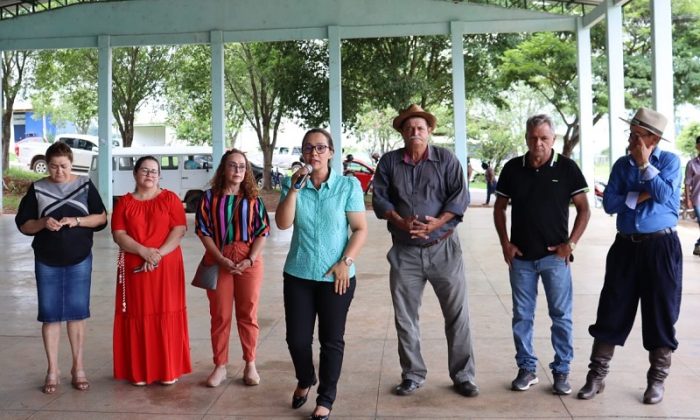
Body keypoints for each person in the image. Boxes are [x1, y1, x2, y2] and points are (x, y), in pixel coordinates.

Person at [372, 104, 479, 398]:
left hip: (444, 248)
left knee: (457, 315)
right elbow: (380, 199)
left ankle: (463, 375)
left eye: (420, 128)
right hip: (405, 251)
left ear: (429, 131)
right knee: (405, 317)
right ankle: (412, 374)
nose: (415, 132)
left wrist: (437, 224)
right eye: (409, 128)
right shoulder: (390, 162)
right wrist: (400, 221)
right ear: (402, 133)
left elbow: (460, 197)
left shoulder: (446, 159)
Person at [578, 107, 682, 405]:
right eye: (631, 134)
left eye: (637, 136)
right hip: (624, 247)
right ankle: (596, 376)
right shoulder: (622, 165)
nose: (631, 140)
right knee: (611, 308)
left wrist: (645, 165)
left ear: (653, 139)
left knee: (660, 313)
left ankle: (656, 381)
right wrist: (642, 193)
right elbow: (610, 204)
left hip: (660, 247)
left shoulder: (670, 162)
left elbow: (666, 196)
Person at [493, 114, 590, 395]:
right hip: (521, 258)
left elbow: (584, 209)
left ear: (553, 139)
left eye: (544, 138)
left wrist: (570, 244)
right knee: (522, 316)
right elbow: (499, 208)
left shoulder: (568, 168)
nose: (538, 143)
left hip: (555, 259)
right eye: (533, 138)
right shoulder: (513, 168)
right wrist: (505, 243)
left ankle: (561, 371)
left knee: (561, 315)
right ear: (526, 138)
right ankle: (527, 368)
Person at [276, 128, 368, 420]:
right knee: (297, 340)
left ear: (331, 152)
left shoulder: (347, 186)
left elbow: (359, 229)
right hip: (299, 274)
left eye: (320, 147)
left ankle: (326, 398)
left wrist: (346, 262)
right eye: (308, 148)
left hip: (336, 277)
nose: (313, 153)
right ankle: (305, 378)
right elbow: (282, 223)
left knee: (331, 340)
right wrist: (294, 189)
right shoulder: (292, 183)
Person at [15, 142, 107, 394]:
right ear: (47, 165)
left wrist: (77, 220)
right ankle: (52, 370)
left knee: (77, 313)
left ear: (71, 163)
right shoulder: (38, 188)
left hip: (79, 258)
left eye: (64, 166)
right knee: (50, 315)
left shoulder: (84, 185)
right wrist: (43, 222)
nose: (59, 171)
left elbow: (101, 218)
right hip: (47, 259)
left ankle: (78, 368)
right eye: (54, 166)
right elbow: (24, 225)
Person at [111, 155, 192, 386]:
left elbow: (179, 230)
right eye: (145, 170)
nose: (149, 174)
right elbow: (118, 235)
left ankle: (167, 368)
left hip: (166, 265)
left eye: (154, 171)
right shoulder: (124, 203)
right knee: (138, 312)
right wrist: (143, 252)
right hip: (135, 265)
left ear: (159, 175)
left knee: (167, 310)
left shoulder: (170, 199)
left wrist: (157, 255)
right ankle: (139, 371)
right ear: (135, 173)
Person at [195, 149, 271, 388]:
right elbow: (203, 230)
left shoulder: (253, 198)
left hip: (249, 259)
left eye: (242, 166)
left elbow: (262, 231)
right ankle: (220, 365)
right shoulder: (209, 198)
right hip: (219, 258)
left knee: (248, 313)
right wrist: (219, 258)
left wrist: (251, 259)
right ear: (223, 169)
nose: (238, 170)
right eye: (232, 165)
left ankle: (250, 363)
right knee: (220, 315)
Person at [685, 136, 700, 256]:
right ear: (697, 146)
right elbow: (687, 183)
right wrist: (688, 199)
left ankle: (698, 245)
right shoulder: (691, 164)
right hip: (697, 199)